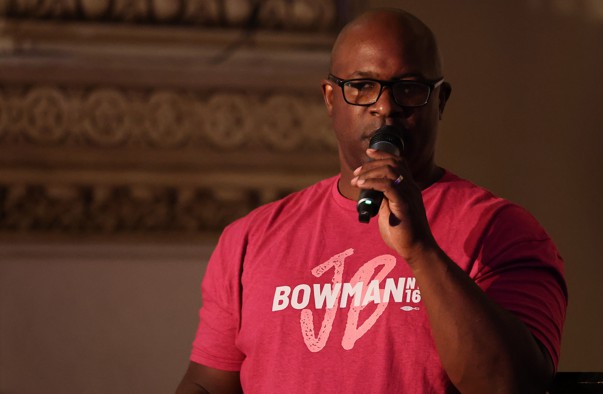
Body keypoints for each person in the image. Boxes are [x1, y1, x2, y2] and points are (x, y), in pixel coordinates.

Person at [176, 8, 567, 394]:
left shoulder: (502, 231)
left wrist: (421, 252)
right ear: (331, 99)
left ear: (440, 101)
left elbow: (511, 385)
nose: (385, 107)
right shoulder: (250, 239)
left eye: (409, 88)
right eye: (362, 86)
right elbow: (207, 382)